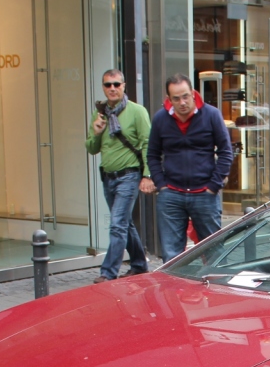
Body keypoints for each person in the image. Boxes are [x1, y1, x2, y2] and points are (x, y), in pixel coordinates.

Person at [148, 74, 234, 259]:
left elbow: (226, 151)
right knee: (171, 256)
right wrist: (161, 184)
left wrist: (213, 185)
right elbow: (152, 155)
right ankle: (173, 289)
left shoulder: (211, 114)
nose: (182, 102)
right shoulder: (160, 118)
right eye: (176, 98)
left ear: (193, 93)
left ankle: (212, 288)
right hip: (171, 193)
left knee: (214, 252)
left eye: (186, 96)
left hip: (205, 193)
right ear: (169, 99)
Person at [86, 69, 153, 282]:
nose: (112, 88)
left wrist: (147, 175)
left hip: (129, 176)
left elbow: (147, 144)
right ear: (103, 88)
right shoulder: (100, 114)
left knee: (117, 224)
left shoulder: (137, 111)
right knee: (125, 223)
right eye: (108, 85)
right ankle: (140, 264)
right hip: (107, 177)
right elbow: (91, 148)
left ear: (124, 86)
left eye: (116, 84)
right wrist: (96, 132)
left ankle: (108, 273)